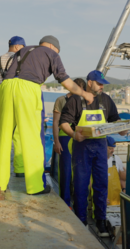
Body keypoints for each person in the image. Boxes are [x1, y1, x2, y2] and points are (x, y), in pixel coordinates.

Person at [0, 35, 94, 196]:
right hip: (27, 89)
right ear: (54, 47)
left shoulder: (24, 50)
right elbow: (65, 81)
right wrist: (84, 94)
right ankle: (35, 186)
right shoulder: (52, 53)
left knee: (3, 137)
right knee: (32, 138)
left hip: (5, 88)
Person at [59, 70, 127, 237]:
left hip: (100, 147)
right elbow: (63, 123)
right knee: (81, 185)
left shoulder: (106, 100)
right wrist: (74, 135)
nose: (102, 86)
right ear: (89, 83)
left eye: (103, 83)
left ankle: (100, 221)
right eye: (99, 83)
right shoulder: (75, 99)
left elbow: (114, 119)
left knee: (101, 184)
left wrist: (122, 128)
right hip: (81, 147)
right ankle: (81, 221)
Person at [0, 36, 26, 177]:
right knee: (18, 134)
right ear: (17, 47)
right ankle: (19, 169)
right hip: (15, 98)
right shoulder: (20, 60)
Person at [53, 78, 86, 206]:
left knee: (79, 172)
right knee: (65, 171)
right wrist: (56, 141)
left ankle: (79, 203)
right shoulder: (61, 100)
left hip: (80, 139)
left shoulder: (83, 102)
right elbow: (56, 122)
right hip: (65, 138)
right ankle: (65, 203)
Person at [106, 136, 126, 206]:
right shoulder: (97, 161)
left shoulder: (116, 159)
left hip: (116, 199)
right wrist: (100, 196)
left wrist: (124, 189)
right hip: (102, 199)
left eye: (113, 148)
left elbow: (121, 177)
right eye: (110, 148)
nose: (113, 150)